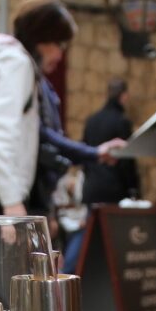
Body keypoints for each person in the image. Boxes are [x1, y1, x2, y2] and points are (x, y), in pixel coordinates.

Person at [0, 0, 123, 217]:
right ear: (42, 38)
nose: (59, 54)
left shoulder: (8, 59)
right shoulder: (17, 64)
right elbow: (0, 135)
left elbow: (40, 134)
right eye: (59, 44)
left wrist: (93, 153)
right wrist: (12, 203)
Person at [63, 77, 140, 272]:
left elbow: (84, 154)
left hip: (93, 187)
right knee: (114, 237)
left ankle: (69, 271)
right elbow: (126, 160)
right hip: (113, 189)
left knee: (88, 233)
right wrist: (134, 189)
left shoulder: (92, 120)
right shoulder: (122, 122)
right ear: (124, 96)